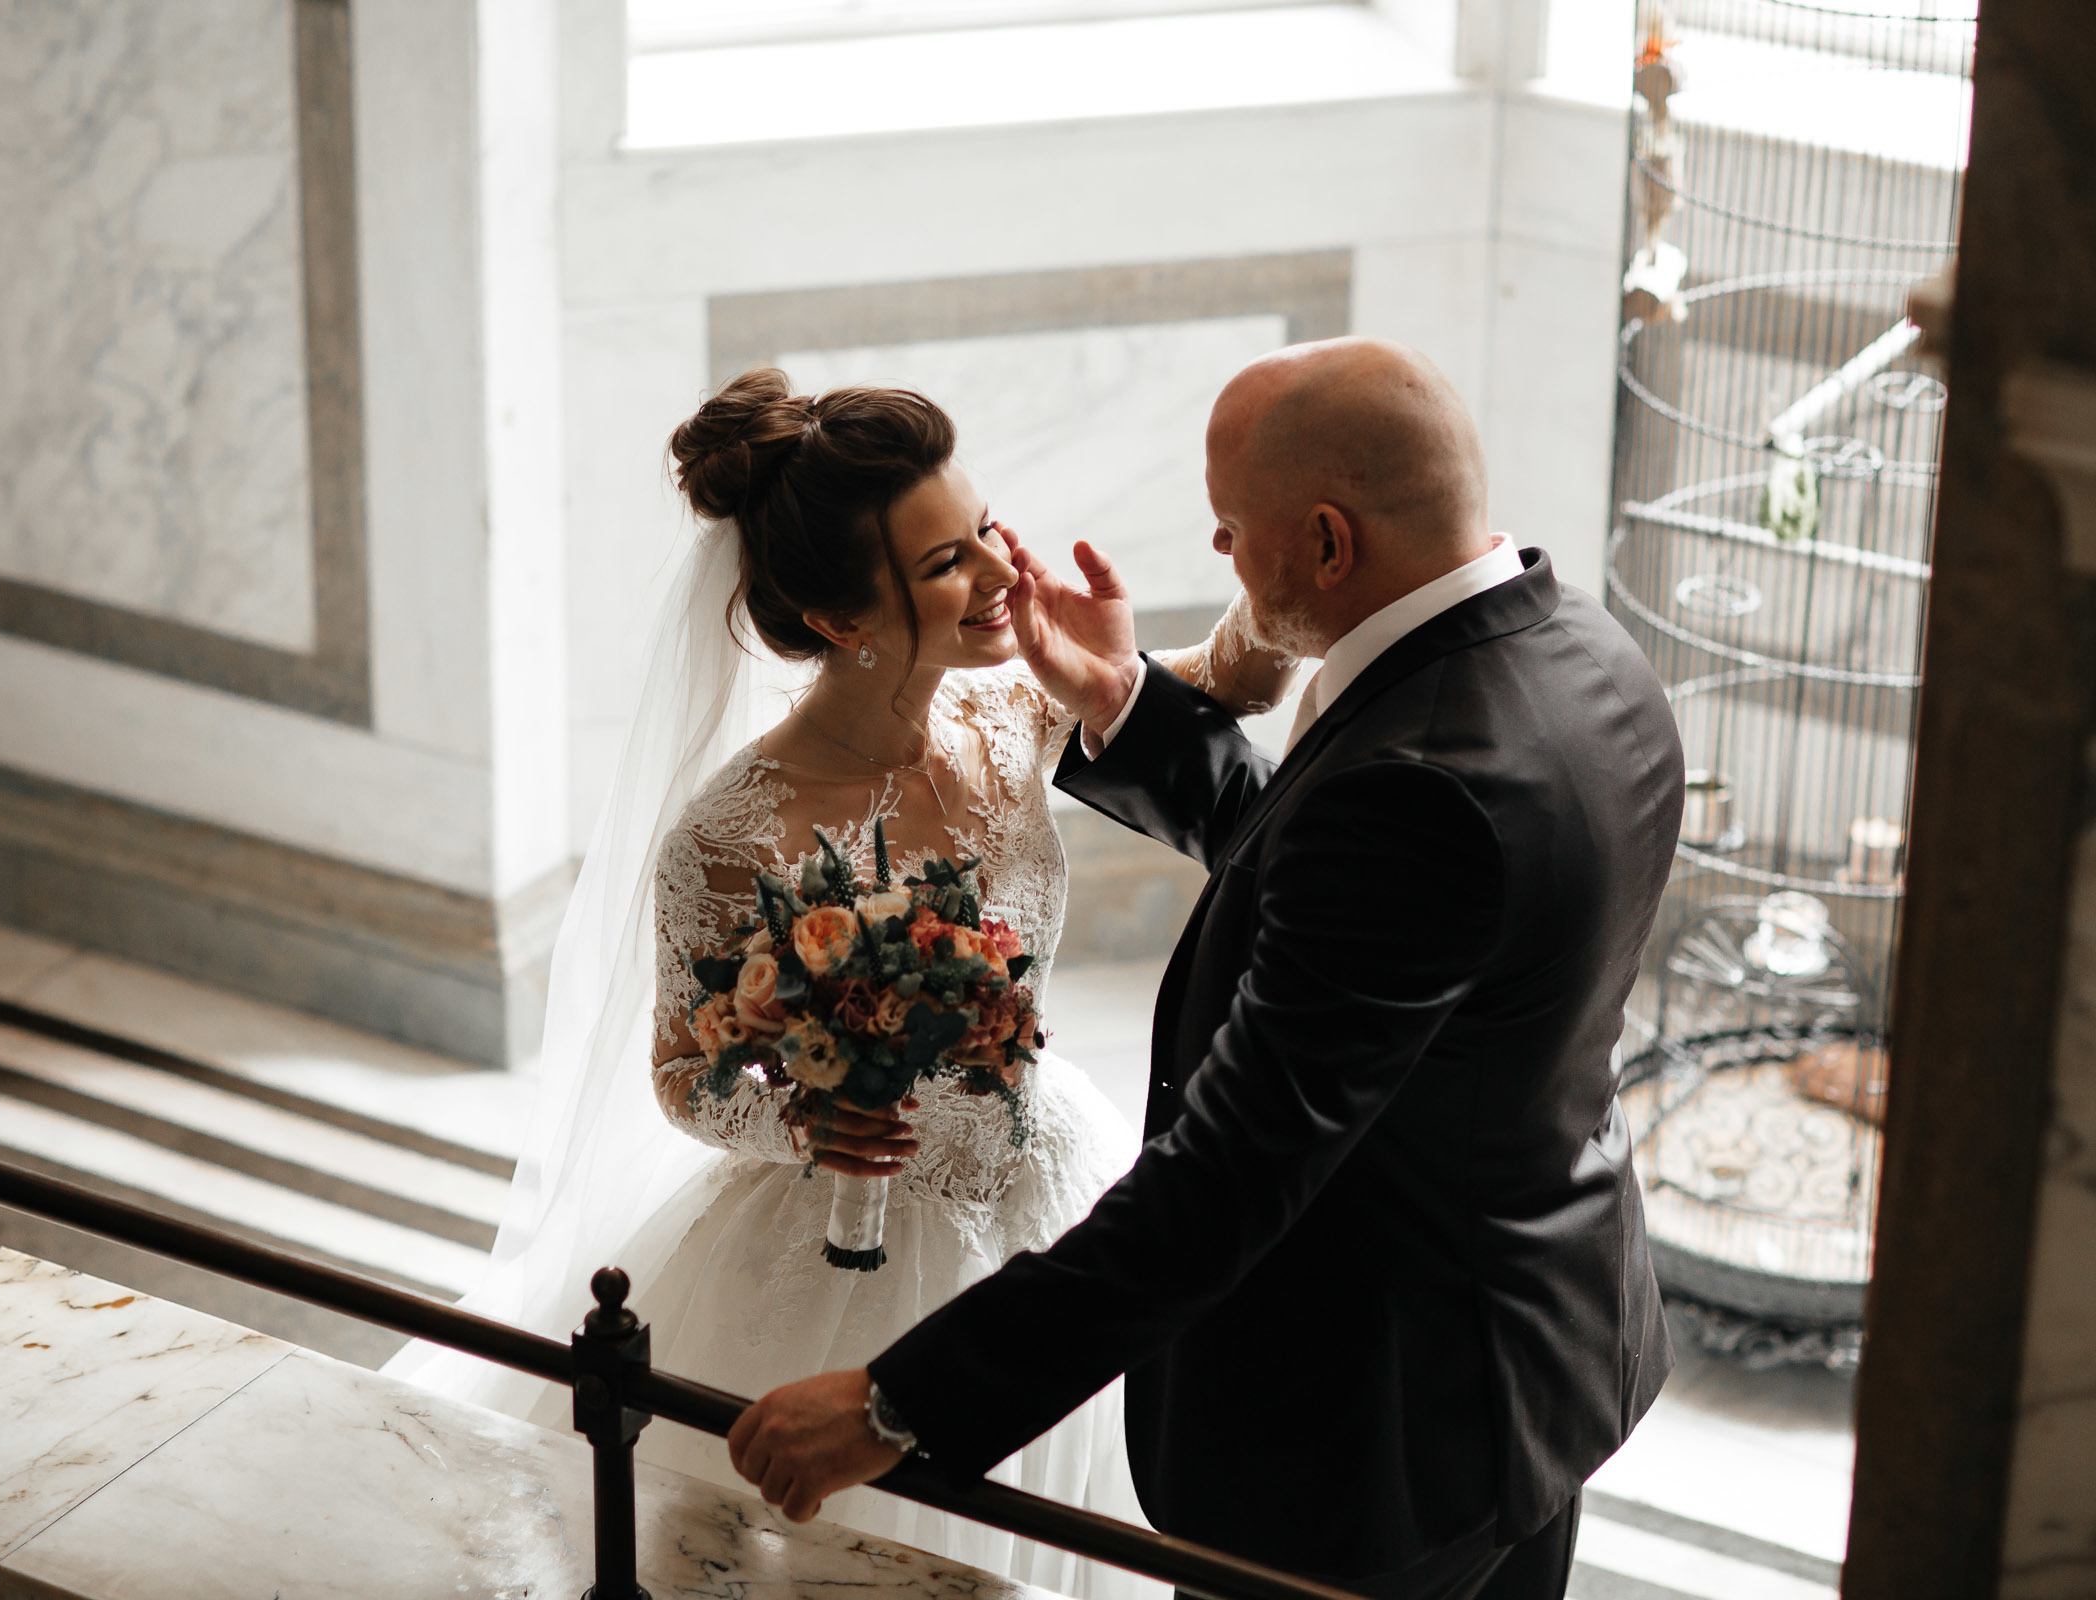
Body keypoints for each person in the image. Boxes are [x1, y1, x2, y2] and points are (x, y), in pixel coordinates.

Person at [726, 338, 1685, 1600]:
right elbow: (1342, 890)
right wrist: (1124, 701)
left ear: (1329, 544)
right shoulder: (1581, 652)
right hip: (1542, 1354)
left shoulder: (1413, 787)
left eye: (1236, 529)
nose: (1221, 554)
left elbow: (1229, 1177)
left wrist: (895, 1402)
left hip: (1376, 1436)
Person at [387, 369, 1297, 1599]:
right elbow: (684, 1077)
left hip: (1050, 1189)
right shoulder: (731, 835)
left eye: (984, 532)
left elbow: (1235, 682)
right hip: (853, 1258)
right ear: (835, 619)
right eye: (944, 567)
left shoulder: (1011, 704)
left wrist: (1128, 647)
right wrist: (809, 1117)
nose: (995, 576)